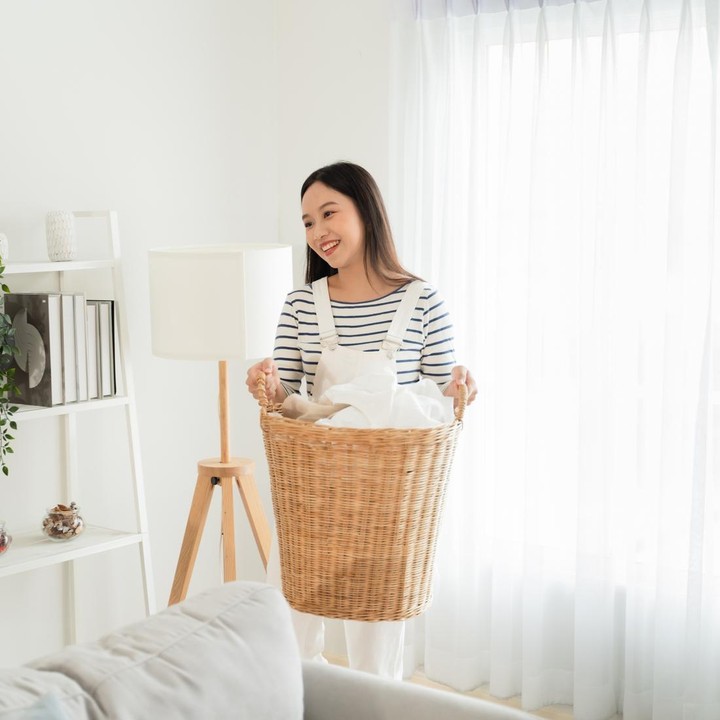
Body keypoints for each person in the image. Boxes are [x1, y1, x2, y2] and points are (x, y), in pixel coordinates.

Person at [246, 161, 477, 680]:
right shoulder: (302, 304)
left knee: (376, 650)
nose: (317, 232)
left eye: (329, 213)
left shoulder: (424, 302)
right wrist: (267, 384)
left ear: (366, 211)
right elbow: (286, 400)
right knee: (292, 632)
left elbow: (438, 406)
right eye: (308, 222)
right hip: (313, 489)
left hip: (387, 497)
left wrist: (462, 386)